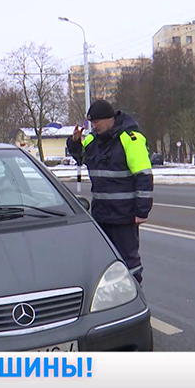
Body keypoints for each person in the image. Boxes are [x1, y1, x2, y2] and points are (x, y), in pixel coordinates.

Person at [67, 99, 153, 284]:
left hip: (124, 215)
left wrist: (142, 211)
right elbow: (81, 158)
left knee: (128, 262)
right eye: (92, 123)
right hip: (101, 214)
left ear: (109, 119)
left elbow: (144, 176)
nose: (94, 126)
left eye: (97, 122)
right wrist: (74, 143)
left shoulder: (130, 139)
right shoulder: (92, 140)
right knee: (104, 261)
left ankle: (133, 294)